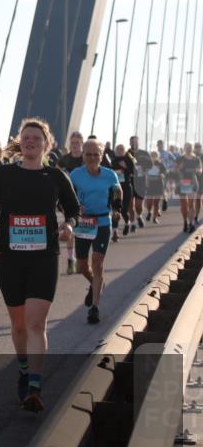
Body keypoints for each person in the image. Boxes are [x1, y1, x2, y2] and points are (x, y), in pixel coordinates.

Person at [0, 118, 79, 413]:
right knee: (19, 324)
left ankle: (34, 385)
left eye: (37, 137)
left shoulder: (56, 176)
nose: (31, 141)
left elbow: (73, 209)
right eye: (26, 137)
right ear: (20, 142)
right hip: (9, 258)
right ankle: (23, 368)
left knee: (36, 323)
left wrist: (69, 225)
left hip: (44, 257)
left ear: (47, 144)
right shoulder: (4, 174)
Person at [69, 139, 121, 325]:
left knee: (97, 262)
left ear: (101, 156)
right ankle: (95, 283)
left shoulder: (109, 175)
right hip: (83, 223)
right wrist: (74, 208)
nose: (92, 158)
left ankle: (95, 308)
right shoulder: (75, 175)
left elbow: (117, 193)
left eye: (95, 154)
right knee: (82, 266)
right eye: (88, 154)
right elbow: (66, 196)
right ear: (83, 155)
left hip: (102, 222)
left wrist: (116, 209)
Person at [56, 131, 85, 275]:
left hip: (85, 197)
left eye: (77, 143)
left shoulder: (86, 159)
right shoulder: (64, 160)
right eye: (72, 143)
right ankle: (70, 260)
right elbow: (56, 175)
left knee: (84, 230)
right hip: (69, 199)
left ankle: (82, 259)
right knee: (71, 228)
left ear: (82, 143)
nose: (75, 145)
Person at [109, 144, 136, 239]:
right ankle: (115, 232)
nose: (120, 151)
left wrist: (125, 166)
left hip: (127, 187)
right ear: (115, 151)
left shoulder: (128, 159)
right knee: (116, 209)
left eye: (121, 149)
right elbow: (110, 172)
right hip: (116, 187)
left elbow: (134, 172)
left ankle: (127, 223)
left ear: (124, 151)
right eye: (118, 149)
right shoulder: (113, 160)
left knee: (124, 209)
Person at [176, 142, 202, 232]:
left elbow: (200, 170)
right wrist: (180, 167)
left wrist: (197, 170)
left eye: (190, 148)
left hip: (193, 181)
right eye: (187, 147)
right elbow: (175, 170)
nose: (189, 149)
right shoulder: (180, 158)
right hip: (182, 182)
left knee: (191, 204)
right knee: (184, 205)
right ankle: (185, 222)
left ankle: (191, 224)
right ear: (184, 148)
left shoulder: (196, 159)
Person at [129, 136, 152, 228]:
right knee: (130, 204)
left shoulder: (144, 153)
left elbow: (150, 165)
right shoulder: (127, 153)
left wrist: (145, 171)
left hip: (141, 181)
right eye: (132, 142)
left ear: (138, 143)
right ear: (129, 143)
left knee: (138, 205)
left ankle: (138, 216)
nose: (134, 144)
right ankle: (133, 223)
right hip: (129, 181)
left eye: (136, 142)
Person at [144, 151, 168, 223]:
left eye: (155, 155)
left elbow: (165, 172)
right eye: (152, 155)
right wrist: (145, 173)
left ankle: (154, 218)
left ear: (158, 156)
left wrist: (162, 175)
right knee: (149, 202)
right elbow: (143, 171)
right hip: (149, 184)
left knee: (156, 202)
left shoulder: (160, 164)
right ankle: (149, 212)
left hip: (158, 183)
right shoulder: (147, 164)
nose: (154, 157)